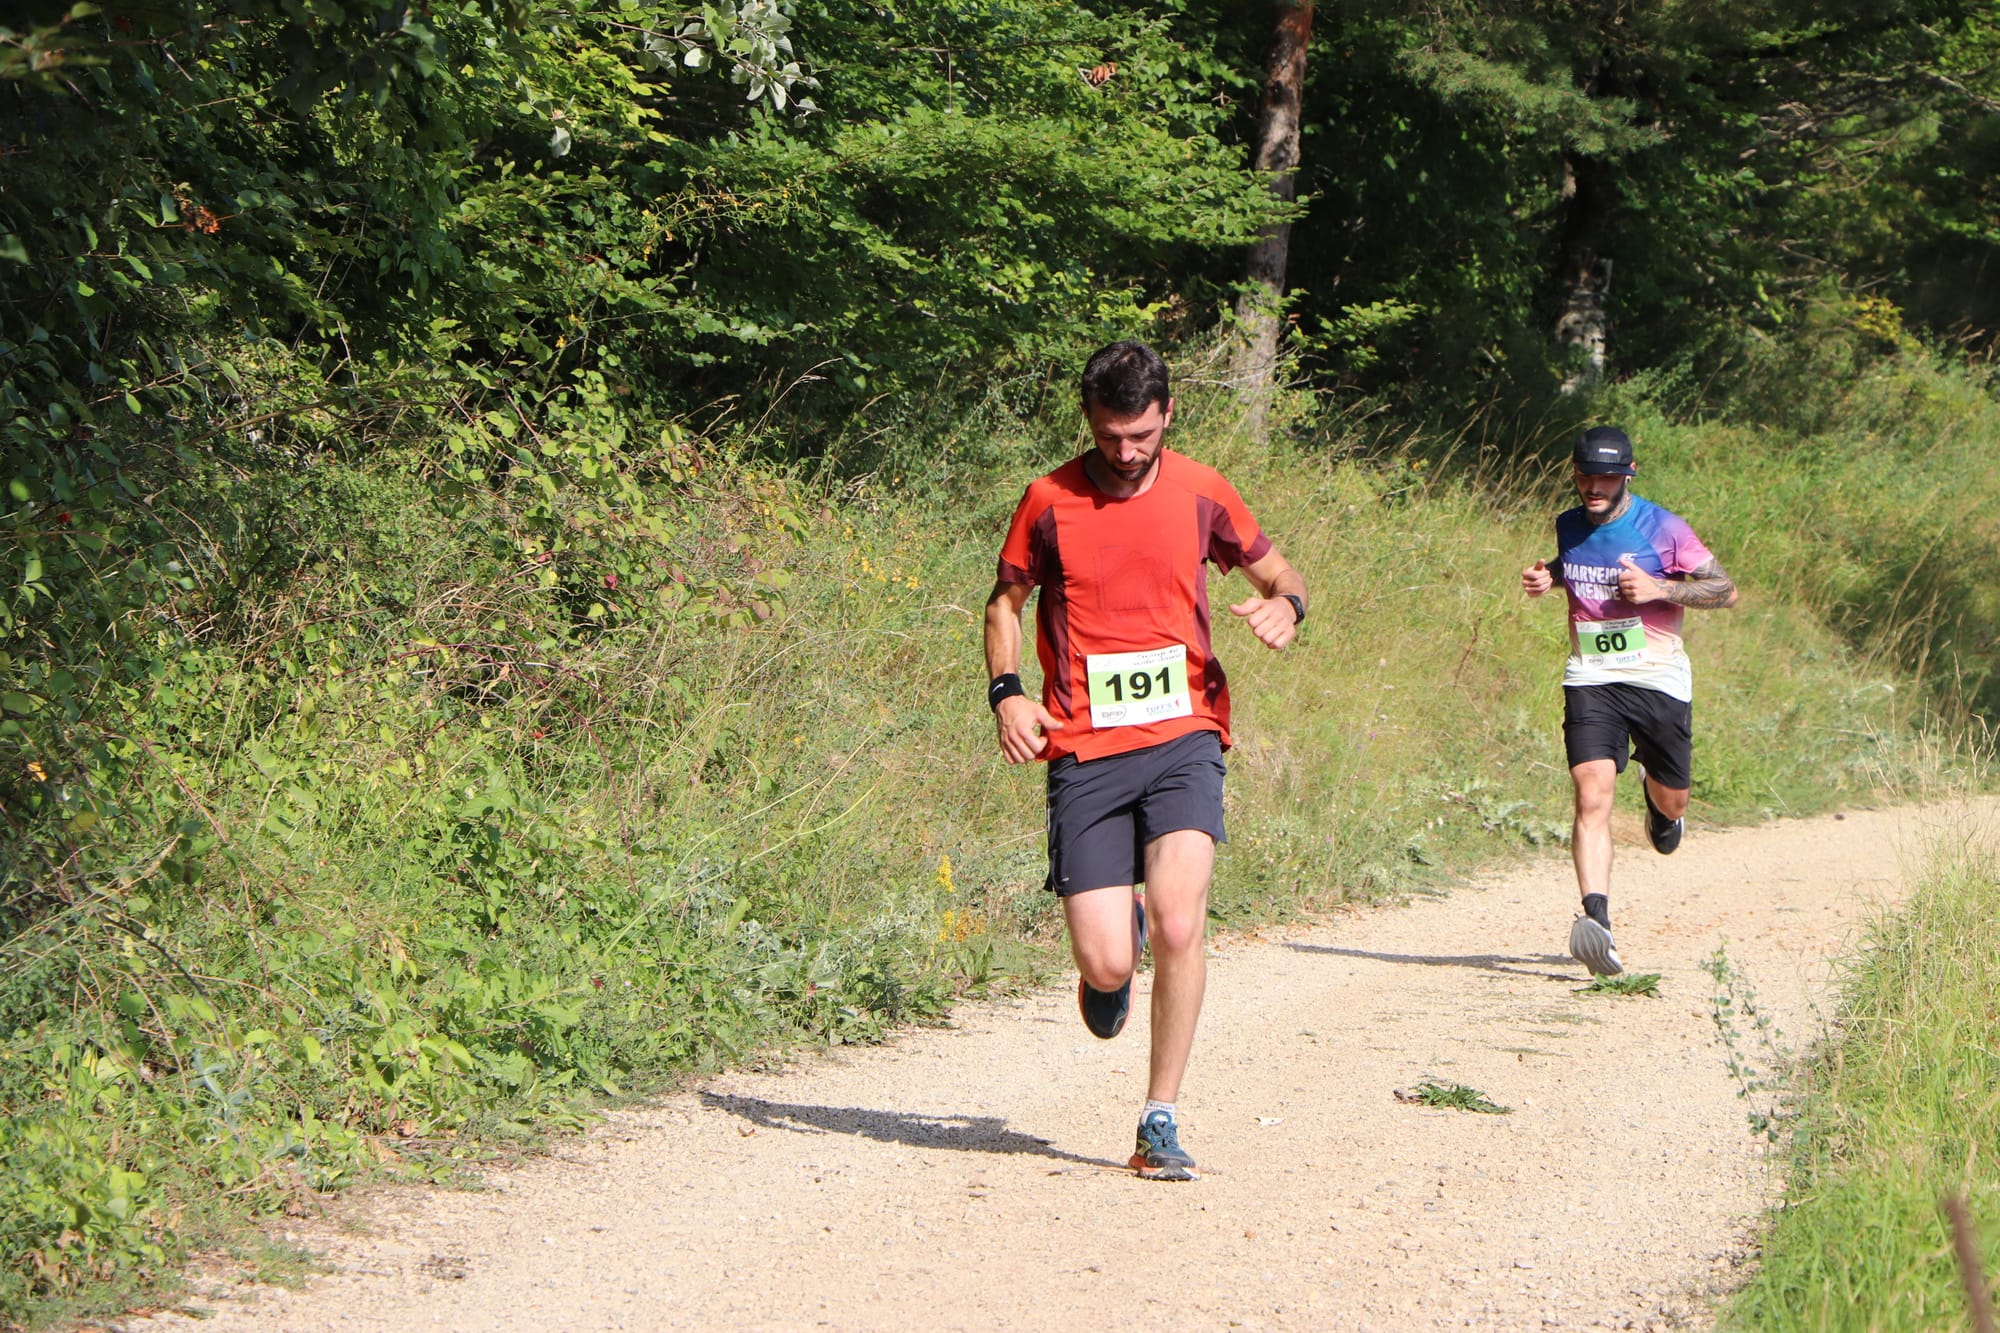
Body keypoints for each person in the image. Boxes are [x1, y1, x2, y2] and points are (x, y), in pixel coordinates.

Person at [983, 341, 1306, 1182]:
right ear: (1088, 422)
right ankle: (1111, 948)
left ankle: (1159, 1117)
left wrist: (1287, 607)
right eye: (1108, 436)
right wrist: (1008, 694)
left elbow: (1281, 571)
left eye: (1140, 435)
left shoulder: (1203, 491)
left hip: (1184, 736)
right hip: (1086, 749)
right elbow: (1005, 604)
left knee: (1179, 919)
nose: (1124, 453)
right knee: (1106, 963)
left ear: (1167, 415)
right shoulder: (1049, 499)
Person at [1520, 426, 1737, 976]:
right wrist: (1550, 577)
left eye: (1607, 478)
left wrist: (1661, 589)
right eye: (1587, 475)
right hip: (1591, 675)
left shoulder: (1664, 527)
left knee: (1675, 801)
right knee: (1590, 793)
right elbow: (1579, 562)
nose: (1595, 486)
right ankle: (1597, 923)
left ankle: (1660, 807)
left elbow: (1725, 591)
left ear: (1626, 478)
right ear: (1574, 474)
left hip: (1658, 677)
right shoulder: (1569, 524)